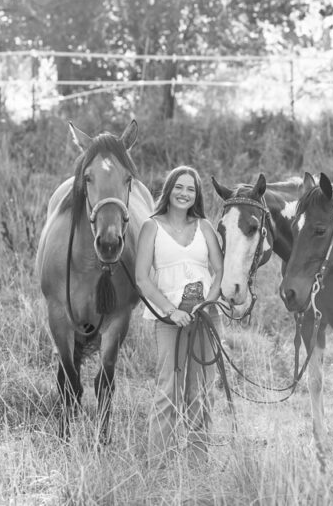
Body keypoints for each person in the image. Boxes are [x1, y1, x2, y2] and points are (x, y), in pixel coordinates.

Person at [135, 165, 224, 466]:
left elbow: (219, 271)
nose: (184, 194)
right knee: (168, 389)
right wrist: (172, 311)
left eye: (191, 189)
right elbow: (142, 279)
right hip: (168, 319)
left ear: (196, 195)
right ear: (169, 189)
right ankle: (159, 464)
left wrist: (207, 304)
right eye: (179, 187)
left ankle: (197, 463)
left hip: (204, 318)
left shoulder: (205, 227)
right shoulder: (151, 227)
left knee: (202, 390)